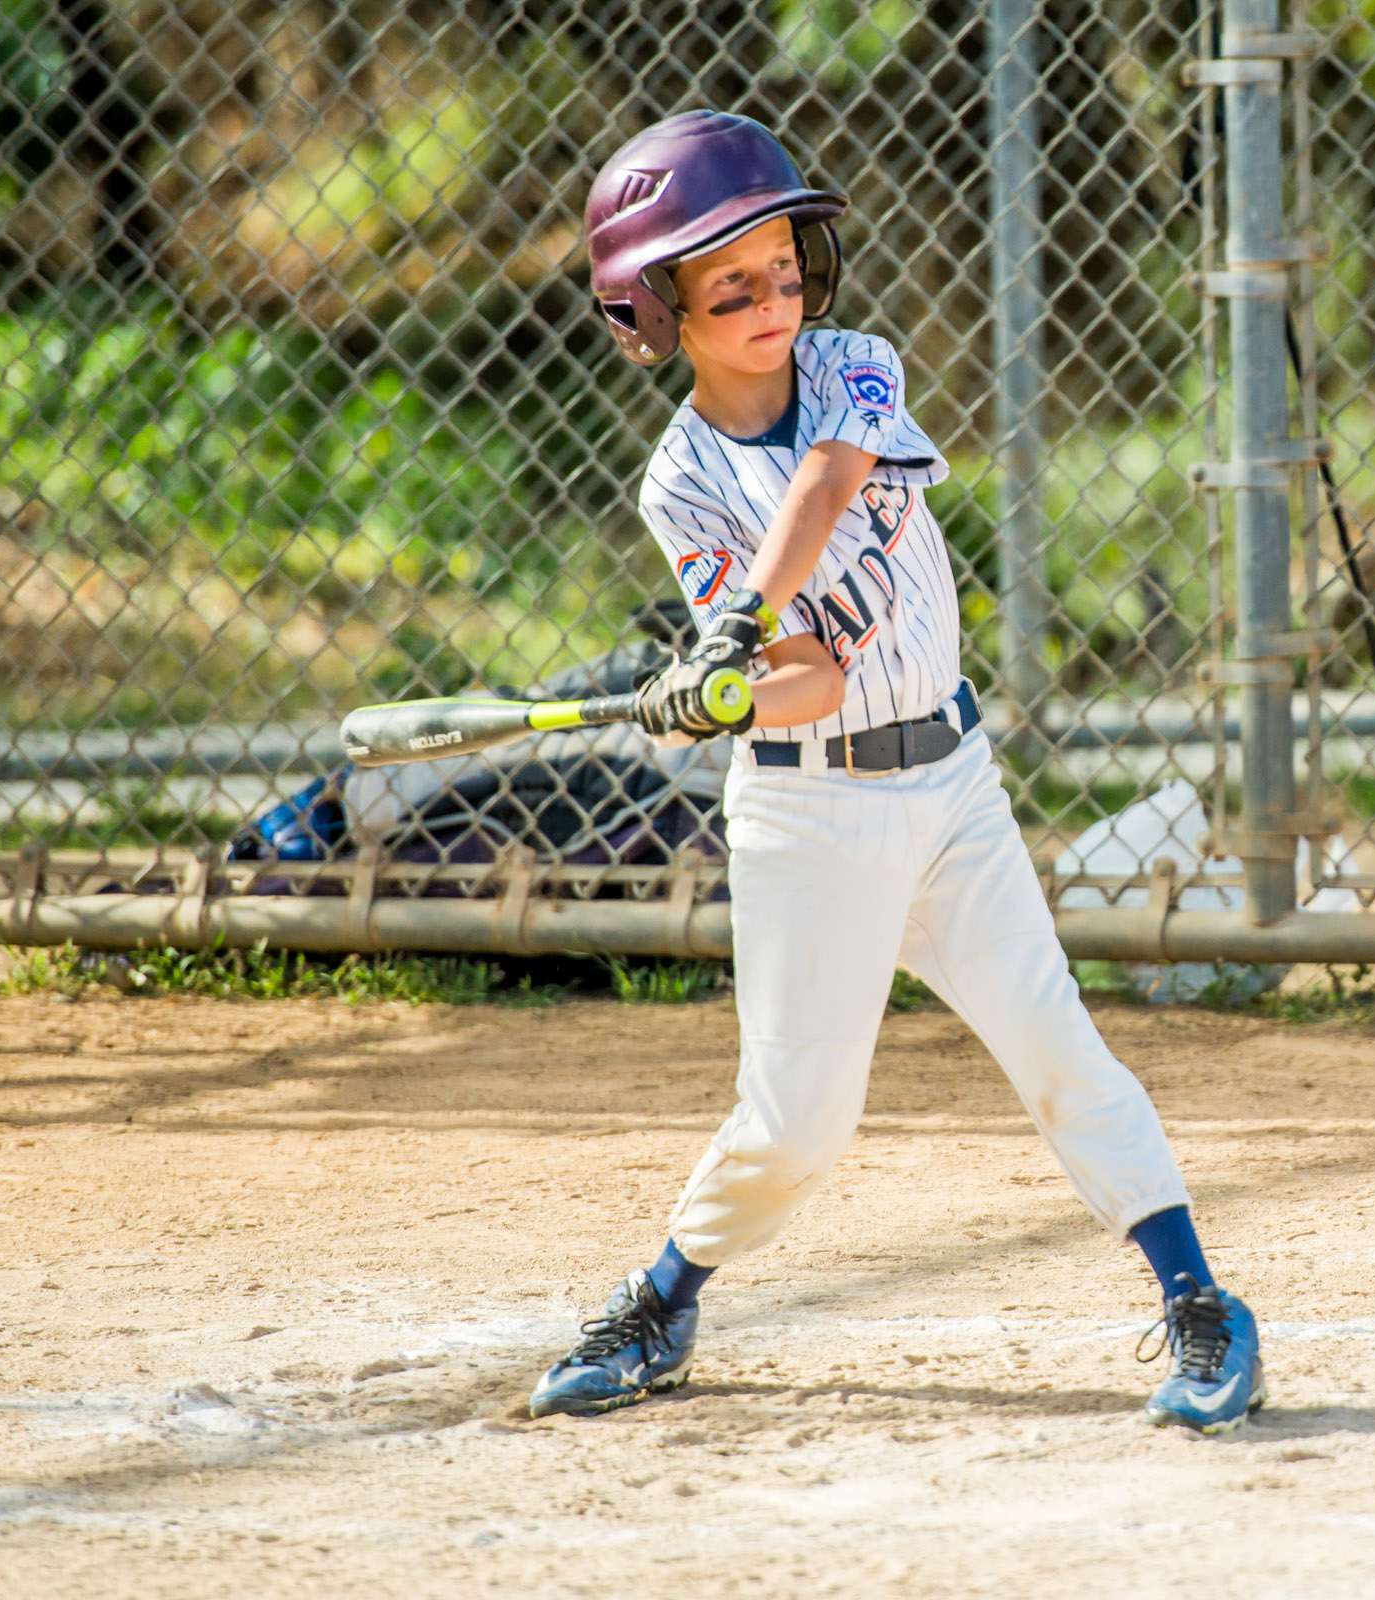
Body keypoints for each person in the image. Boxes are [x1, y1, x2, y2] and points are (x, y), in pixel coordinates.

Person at [524, 111, 1266, 1433]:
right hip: (811, 813)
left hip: (953, 789)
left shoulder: (853, 371)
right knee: (798, 1124)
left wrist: (734, 628)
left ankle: (1203, 1304)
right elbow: (805, 680)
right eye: (729, 282)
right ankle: (663, 1302)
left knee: (1061, 1051)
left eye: (785, 267)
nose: (774, 298)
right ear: (657, 308)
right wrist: (728, 691)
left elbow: (826, 484)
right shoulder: (680, 482)